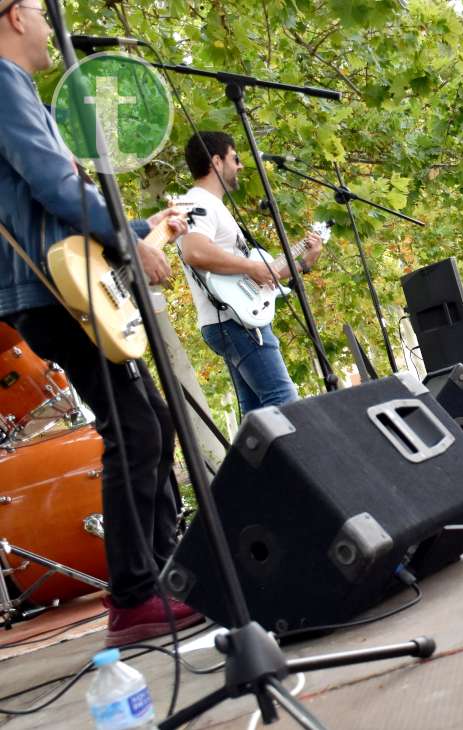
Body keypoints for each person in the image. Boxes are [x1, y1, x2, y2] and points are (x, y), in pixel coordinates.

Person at [0, 0, 203, 646]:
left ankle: (161, 579)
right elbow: (57, 186)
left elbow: (58, 208)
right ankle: (136, 596)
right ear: (11, 17)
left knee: (150, 420)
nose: (43, 21)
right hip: (49, 290)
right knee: (135, 426)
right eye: (35, 7)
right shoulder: (3, 84)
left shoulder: (16, 88)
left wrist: (146, 231)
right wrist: (128, 235)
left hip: (60, 283)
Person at [177, 131, 325, 414]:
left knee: (258, 412)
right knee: (284, 403)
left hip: (234, 318)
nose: (241, 166)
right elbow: (194, 251)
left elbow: (260, 273)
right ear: (217, 162)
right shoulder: (197, 202)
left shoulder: (212, 206)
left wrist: (306, 262)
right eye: (236, 158)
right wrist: (250, 266)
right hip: (235, 321)